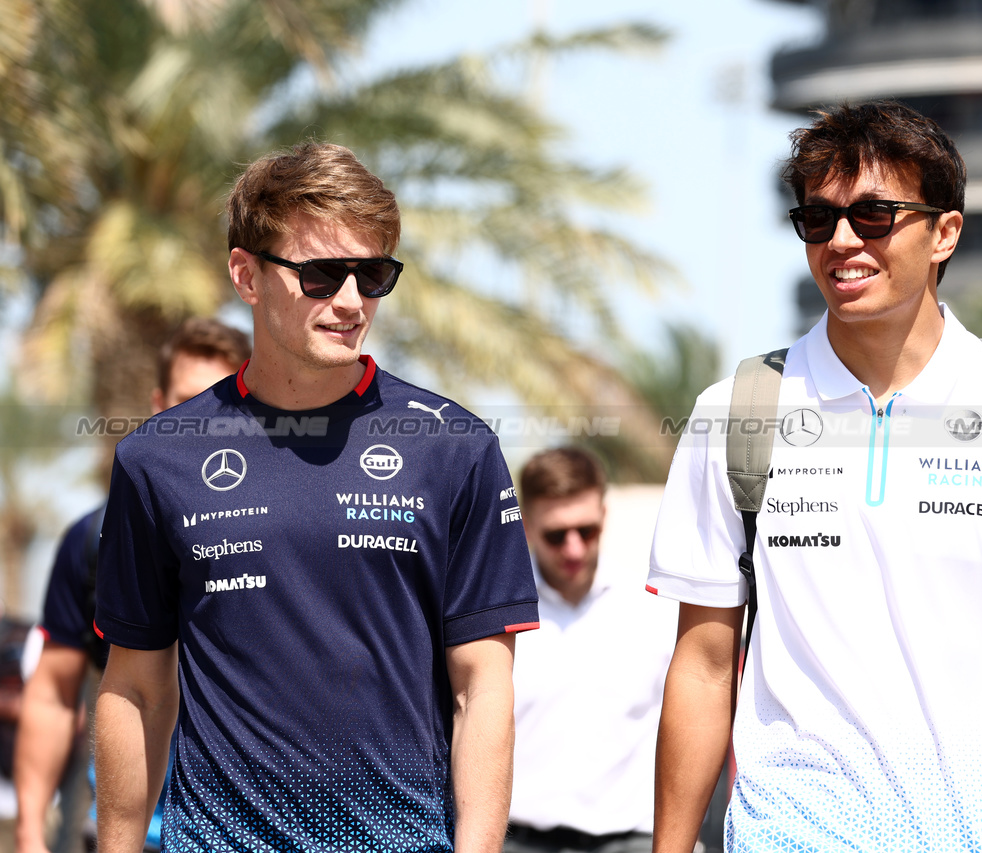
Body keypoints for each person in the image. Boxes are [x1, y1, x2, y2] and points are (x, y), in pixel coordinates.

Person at [645, 100, 982, 853]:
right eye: (818, 219)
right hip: (795, 833)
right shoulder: (737, 412)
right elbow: (705, 664)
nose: (842, 240)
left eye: (874, 215)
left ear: (945, 232)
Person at [92, 142, 539, 853]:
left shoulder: (457, 447)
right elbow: (137, 687)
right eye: (323, 274)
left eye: (374, 274)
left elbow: (482, 684)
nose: (352, 301)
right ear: (246, 274)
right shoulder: (156, 459)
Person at [13, 317, 251, 853]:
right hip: (128, 835)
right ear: (157, 404)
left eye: (220, 406)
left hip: (242, 833)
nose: (201, 422)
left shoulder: (290, 532)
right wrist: (29, 834)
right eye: (187, 402)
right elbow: (52, 694)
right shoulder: (91, 541)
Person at [506, 448, 673, 853]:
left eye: (587, 530)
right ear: (526, 527)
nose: (574, 549)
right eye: (556, 535)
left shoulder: (655, 609)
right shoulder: (495, 613)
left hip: (632, 842)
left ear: (603, 515)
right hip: (515, 842)